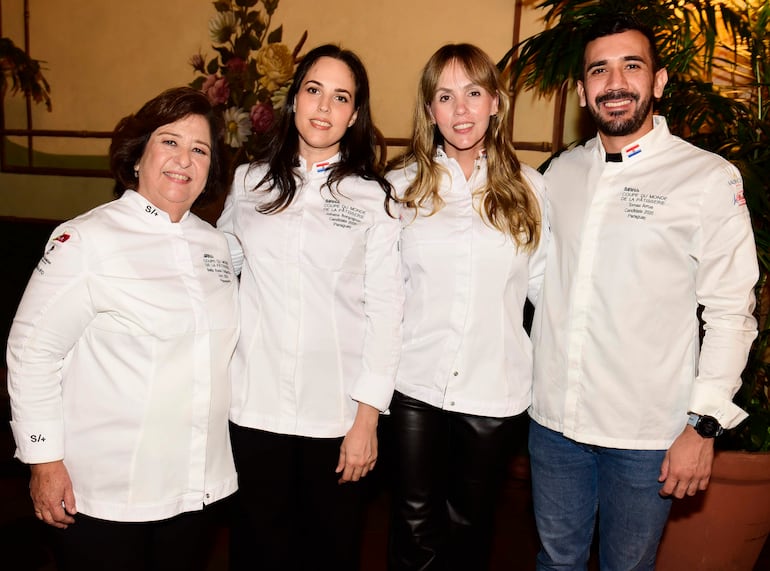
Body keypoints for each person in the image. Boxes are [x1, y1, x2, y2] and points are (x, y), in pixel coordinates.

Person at [529, 14, 758, 571]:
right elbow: (534, 279)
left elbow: (732, 310)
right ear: (583, 90)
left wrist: (703, 425)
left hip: (646, 434)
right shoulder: (559, 173)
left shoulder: (706, 178)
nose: (615, 82)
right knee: (555, 561)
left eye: (631, 66)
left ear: (656, 82)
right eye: (599, 70)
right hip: (554, 421)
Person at [6, 86, 239, 571]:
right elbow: (32, 353)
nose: (183, 159)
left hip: (194, 489)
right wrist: (43, 461)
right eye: (169, 142)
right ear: (138, 156)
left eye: (200, 149)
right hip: (106, 496)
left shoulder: (214, 246)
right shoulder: (88, 240)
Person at [216, 44, 402, 571]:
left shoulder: (376, 199)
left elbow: (387, 316)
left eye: (340, 97)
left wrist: (367, 419)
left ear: (355, 113)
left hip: (334, 417)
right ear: (294, 98)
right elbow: (218, 266)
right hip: (253, 407)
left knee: (330, 552)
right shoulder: (248, 181)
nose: (324, 107)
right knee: (256, 551)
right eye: (314, 90)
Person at [385, 43, 548, 570]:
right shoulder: (400, 187)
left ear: (496, 103)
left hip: (493, 391)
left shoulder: (530, 190)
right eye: (445, 96)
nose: (461, 110)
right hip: (413, 386)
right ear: (429, 110)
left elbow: (545, 296)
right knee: (412, 532)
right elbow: (381, 294)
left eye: (474, 93)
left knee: (471, 532)